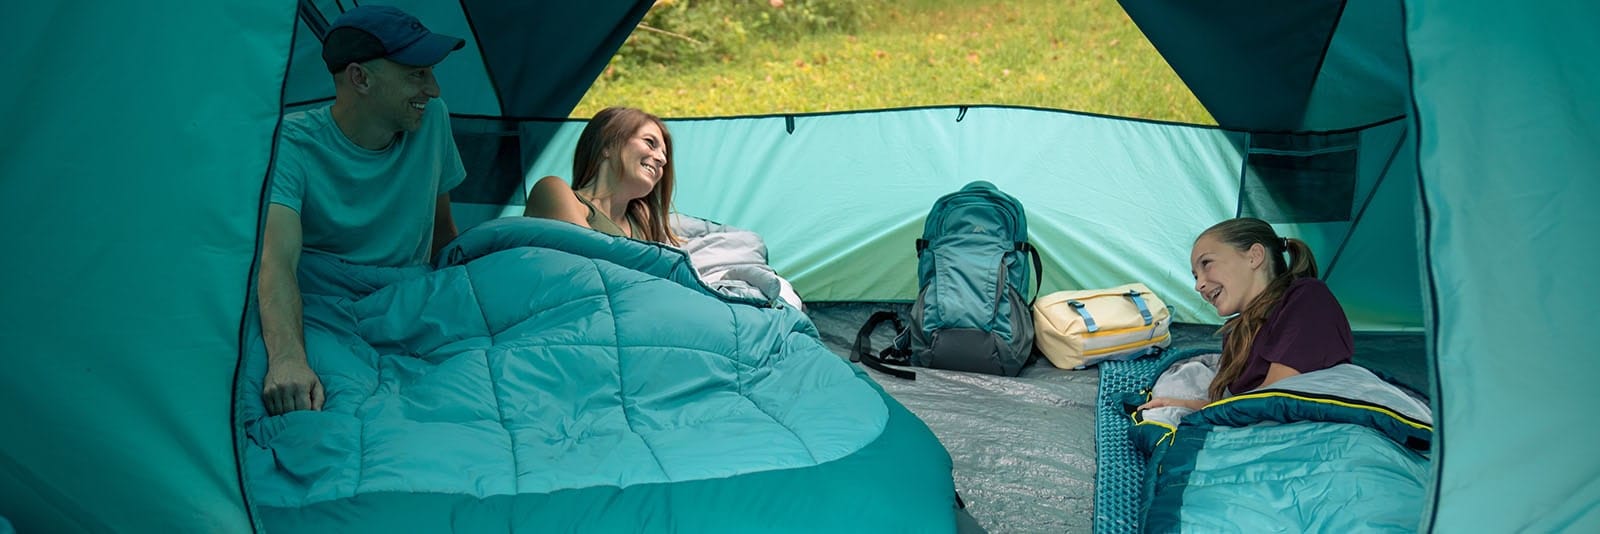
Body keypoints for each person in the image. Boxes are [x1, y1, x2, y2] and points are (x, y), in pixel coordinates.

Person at [259, 5, 467, 415]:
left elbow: (444, 234)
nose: (435, 89)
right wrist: (287, 358)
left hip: (410, 300)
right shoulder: (291, 145)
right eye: (417, 74)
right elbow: (276, 261)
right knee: (339, 408)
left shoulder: (432, 121)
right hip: (326, 305)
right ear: (360, 78)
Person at [1140, 217, 1354, 411]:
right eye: (1195, 276)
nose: (1198, 285)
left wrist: (1196, 409)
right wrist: (1181, 405)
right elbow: (1243, 407)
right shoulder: (1237, 333)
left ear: (1255, 256)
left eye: (1207, 264)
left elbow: (1275, 397)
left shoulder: (1308, 298)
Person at [523, 107, 681, 245]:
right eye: (649, 142)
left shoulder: (642, 219)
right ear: (608, 145)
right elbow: (592, 255)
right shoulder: (552, 191)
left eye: (664, 154)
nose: (662, 160)